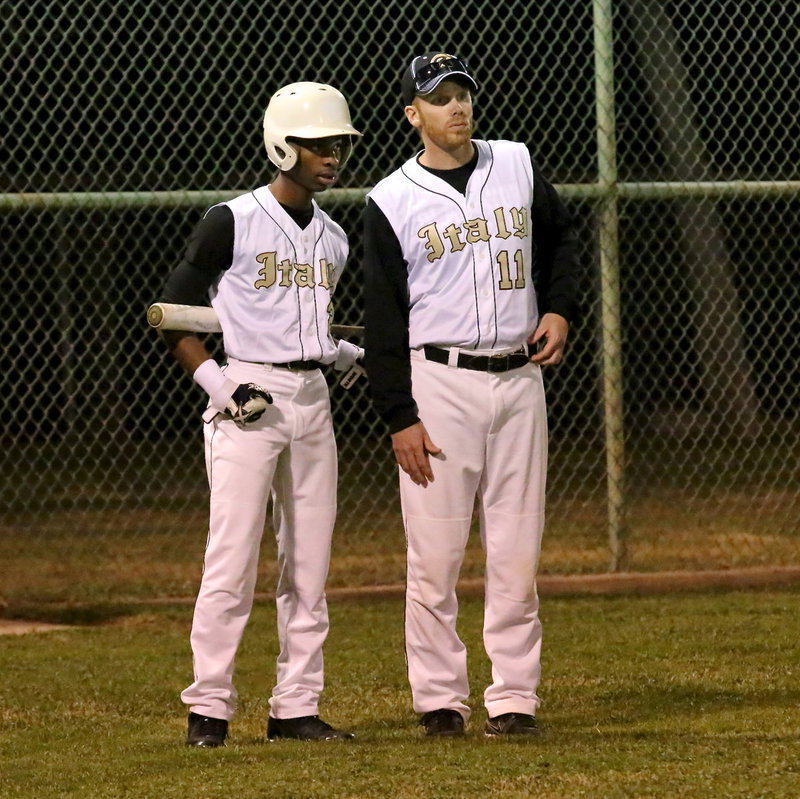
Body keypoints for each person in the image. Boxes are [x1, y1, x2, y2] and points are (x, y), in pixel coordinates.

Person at [361, 53, 581, 737]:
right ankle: (438, 698)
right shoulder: (390, 200)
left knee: (517, 548)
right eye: (438, 97)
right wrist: (400, 413)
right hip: (440, 382)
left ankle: (514, 695)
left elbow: (563, 240)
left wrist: (560, 308)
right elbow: (383, 317)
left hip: (519, 379)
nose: (455, 107)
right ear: (412, 114)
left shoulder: (514, 163)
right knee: (435, 553)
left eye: (462, 94)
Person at [155, 82, 363, 747]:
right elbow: (172, 311)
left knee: (309, 564)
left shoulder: (332, 237)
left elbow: (307, 330)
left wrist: (346, 352)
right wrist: (219, 385)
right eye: (317, 144)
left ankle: (295, 705)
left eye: (337, 144)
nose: (331, 155)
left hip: (311, 401)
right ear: (282, 144)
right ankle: (208, 709)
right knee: (232, 559)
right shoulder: (232, 219)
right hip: (248, 395)